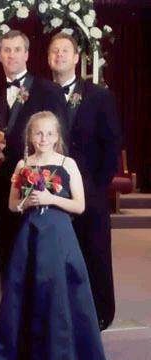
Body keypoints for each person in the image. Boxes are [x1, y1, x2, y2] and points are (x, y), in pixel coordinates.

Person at [0, 111, 109, 360]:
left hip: (59, 238)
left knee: (58, 296)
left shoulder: (67, 164)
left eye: (49, 134)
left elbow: (79, 206)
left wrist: (51, 198)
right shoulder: (23, 164)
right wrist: (26, 203)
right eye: (38, 133)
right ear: (30, 136)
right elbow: (11, 204)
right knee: (24, 295)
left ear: (58, 137)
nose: (43, 139)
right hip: (31, 235)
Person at [48, 32, 121, 330]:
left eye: (65, 51)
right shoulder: (42, 93)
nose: (59, 56)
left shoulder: (99, 95)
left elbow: (113, 143)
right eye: (54, 51)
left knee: (95, 249)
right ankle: (62, 311)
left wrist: (97, 186)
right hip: (52, 189)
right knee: (59, 251)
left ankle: (101, 311)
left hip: (90, 189)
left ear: (77, 58)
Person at [0, 30, 67, 277]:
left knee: (36, 257)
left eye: (17, 50)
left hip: (38, 186)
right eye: (6, 50)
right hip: (2, 187)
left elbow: (60, 138)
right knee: (6, 253)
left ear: (27, 54)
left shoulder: (49, 89)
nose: (11, 55)